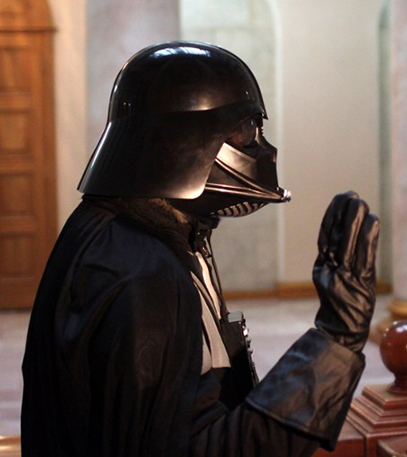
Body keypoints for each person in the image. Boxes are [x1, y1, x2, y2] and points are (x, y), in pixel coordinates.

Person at [21, 41, 380, 457]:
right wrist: (332, 345)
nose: (261, 149)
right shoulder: (141, 274)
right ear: (180, 142)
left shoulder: (134, 231)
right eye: (245, 130)